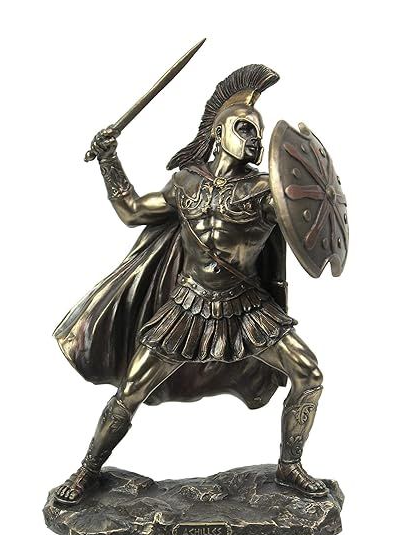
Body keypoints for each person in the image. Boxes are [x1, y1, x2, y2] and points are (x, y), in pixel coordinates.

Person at [54, 64, 327, 505]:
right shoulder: (185, 183)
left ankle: (290, 466)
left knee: (309, 375)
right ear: (220, 133)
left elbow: (305, 221)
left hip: (247, 308)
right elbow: (132, 211)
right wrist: (109, 159)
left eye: (258, 133)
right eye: (245, 128)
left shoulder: (266, 190)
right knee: (131, 390)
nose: (255, 140)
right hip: (187, 306)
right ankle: (87, 471)